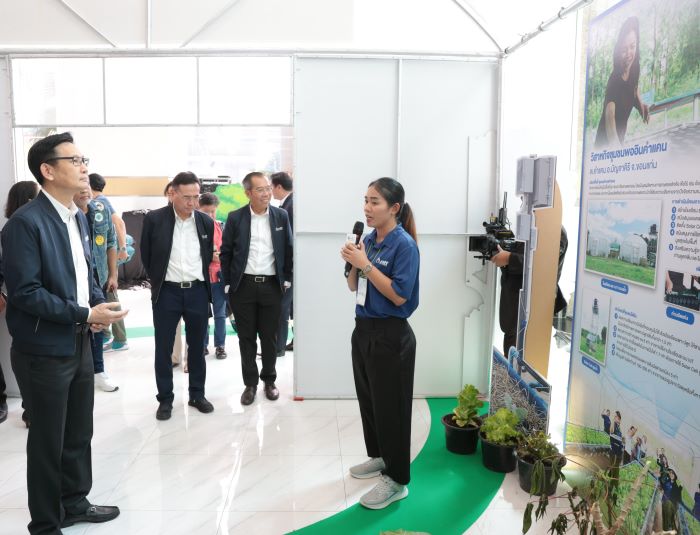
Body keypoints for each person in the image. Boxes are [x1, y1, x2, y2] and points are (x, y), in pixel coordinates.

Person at [1, 132, 127, 534]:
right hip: (43, 350)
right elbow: (25, 292)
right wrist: (83, 313)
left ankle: (74, 503)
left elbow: (85, 275)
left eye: (83, 159)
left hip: (78, 341)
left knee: (78, 432)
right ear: (48, 170)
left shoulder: (78, 216)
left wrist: (97, 308)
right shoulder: (25, 224)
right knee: (47, 440)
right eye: (74, 160)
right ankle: (45, 522)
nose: (84, 167)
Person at [340, 177, 419, 510]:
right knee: (371, 403)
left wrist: (366, 265)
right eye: (366, 200)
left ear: (394, 208)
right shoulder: (369, 239)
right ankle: (381, 457)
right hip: (363, 330)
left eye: (375, 202)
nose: (367, 208)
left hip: (391, 336)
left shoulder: (404, 246)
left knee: (392, 409)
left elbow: (399, 296)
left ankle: (397, 480)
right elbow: (353, 287)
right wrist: (353, 262)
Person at [141, 171, 214, 420]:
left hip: (197, 291)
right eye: (186, 197)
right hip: (167, 292)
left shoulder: (204, 222)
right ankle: (165, 399)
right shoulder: (155, 219)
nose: (192, 202)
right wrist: (159, 282)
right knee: (163, 348)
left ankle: (197, 394)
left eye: (196, 197)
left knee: (197, 347)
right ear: (173, 193)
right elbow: (147, 256)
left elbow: (207, 256)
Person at [220, 172, 293, 406]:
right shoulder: (236, 217)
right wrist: (228, 283)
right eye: (260, 190)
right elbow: (226, 253)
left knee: (270, 337)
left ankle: (269, 381)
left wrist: (287, 279)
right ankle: (250, 384)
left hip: (271, 286)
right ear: (248, 193)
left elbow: (289, 249)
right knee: (246, 338)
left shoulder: (281, 216)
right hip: (243, 286)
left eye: (268, 188)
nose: (266, 193)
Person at [491, 226, 568, 355]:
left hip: (531, 307)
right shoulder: (531, 224)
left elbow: (543, 263)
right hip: (514, 303)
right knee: (511, 348)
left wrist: (509, 258)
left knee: (523, 353)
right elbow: (525, 253)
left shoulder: (555, 230)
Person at [73, 187, 119, 392]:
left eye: (87, 188)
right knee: (80, 324)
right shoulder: (66, 214)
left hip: (98, 277)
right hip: (75, 280)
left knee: (99, 323)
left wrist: (113, 275)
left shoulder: (101, 209)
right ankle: (81, 372)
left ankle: (99, 371)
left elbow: (111, 242)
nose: (85, 192)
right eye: (80, 189)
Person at [2, 180, 40, 427]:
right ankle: (30, 409)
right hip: (22, 307)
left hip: (30, 306)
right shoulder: (15, 229)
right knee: (27, 358)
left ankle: (32, 408)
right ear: (28, 200)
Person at [594, 17, 649, 148]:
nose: (629, 53)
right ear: (618, 51)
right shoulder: (614, 81)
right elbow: (610, 117)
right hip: (604, 149)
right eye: (624, 49)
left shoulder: (635, 67)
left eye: (632, 46)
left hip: (619, 144)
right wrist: (619, 151)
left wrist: (641, 106)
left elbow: (633, 88)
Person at [89, 173, 130, 352]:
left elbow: (118, 223)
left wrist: (123, 248)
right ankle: (110, 336)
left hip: (105, 259)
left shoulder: (100, 203)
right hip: (104, 259)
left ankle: (119, 339)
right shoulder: (98, 202)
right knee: (107, 296)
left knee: (110, 295)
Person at [198, 192, 227, 360]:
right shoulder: (193, 227)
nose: (209, 215)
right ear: (198, 208)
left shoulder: (220, 226)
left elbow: (227, 250)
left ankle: (220, 346)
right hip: (200, 278)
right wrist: (209, 255)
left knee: (220, 314)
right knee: (201, 315)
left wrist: (219, 256)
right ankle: (202, 345)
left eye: (212, 211)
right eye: (206, 211)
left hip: (218, 277)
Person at [271, 171, 294, 355]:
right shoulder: (289, 203)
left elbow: (289, 240)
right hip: (289, 266)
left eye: (270, 187)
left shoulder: (290, 206)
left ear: (279, 186)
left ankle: (277, 347)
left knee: (282, 307)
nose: (270, 192)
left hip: (289, 266)